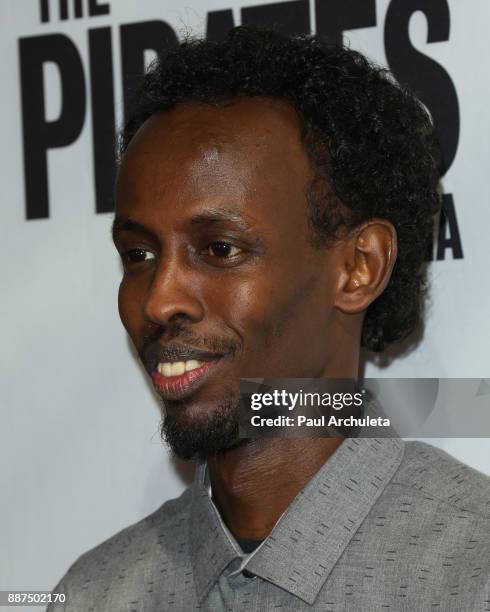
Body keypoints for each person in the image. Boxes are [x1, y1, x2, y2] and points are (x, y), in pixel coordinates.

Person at [48, 27, 489, 611]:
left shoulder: (471, 572)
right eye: (139, 255)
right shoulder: (94, 594)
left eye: (220, 249)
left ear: (358, 268)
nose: (157, 301)